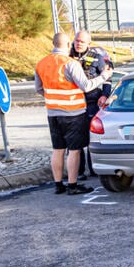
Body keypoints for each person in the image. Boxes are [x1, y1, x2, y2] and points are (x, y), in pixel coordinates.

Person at [34, 31, 113, 195]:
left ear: (53, 44)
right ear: (69, 44)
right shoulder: (69, 63)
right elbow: (85, 86)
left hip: (53, 113)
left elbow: (39, 89)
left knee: (58, 149)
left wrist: (54, 98)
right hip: (73, 112)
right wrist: (105, 75)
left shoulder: (41, 63)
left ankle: (58, 185)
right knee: (75, 150)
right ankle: (72, 185)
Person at [70, 30, 113, 178]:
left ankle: (94, 170)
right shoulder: (67, 57)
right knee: (75, 139)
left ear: (89, 43)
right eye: (77, 41)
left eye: (82, 42)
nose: (78, 44)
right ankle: (78, 171)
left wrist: (104, 94)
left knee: (91, 138)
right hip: (72, 103)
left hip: (91, 102)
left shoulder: (97, 58)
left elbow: (107, 78)